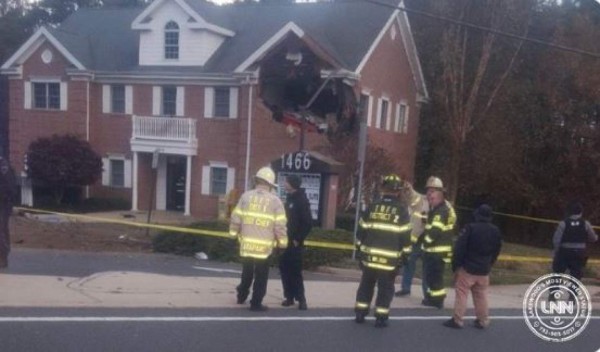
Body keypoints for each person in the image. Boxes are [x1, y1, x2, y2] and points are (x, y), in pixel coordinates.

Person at [354, 174, 412, 328]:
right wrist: (406, 255)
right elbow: (406, 235)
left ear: (383, 189)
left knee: (366, 284)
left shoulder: (372, 206)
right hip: (389, 260)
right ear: (398, 191)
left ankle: (360, 312)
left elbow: (361, 231)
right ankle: (380, 316)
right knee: (385, 288)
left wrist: (359, 250)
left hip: (369, 258)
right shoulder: (401, 210)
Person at [229, 166, 288, 311]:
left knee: (247, 271)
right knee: (261, 276)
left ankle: (241, 295)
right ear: (270, 184)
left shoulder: (246, 196)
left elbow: (236, 218)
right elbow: (280, 225)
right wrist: (282, 244)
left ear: (257, 180)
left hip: (247, 244)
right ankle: (256, 302)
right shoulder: (275, 201)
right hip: (264, 247)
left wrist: (232, 235)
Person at [443, 204, 502, 329]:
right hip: (484, 269)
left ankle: (457, 319)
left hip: (468, 268)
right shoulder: (495, 231)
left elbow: (460, 248)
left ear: (477, 215)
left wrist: (456, 266)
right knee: (481, 295)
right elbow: (497, 250)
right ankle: (483, 320)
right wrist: (490, 264)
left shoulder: (470, 228)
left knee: (462, 293)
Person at [421, 176, 456, 309]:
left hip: (437, 250)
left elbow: (435, 231)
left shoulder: (441, 210)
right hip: (435, 250)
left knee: (435, 277)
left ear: (440, 193)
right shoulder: (437, 208)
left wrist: (425, 242)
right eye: (428, 192)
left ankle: (438, 300)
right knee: (431, 276)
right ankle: (432, 298)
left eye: (432, 192)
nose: (429, 195)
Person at [279, 175, 313, 310]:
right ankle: (289, 297)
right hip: (284, 242)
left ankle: (301, 299)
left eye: (286, 181)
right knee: (284, 269)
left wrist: (297, 239)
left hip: (294, 244)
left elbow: (307, 223)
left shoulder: (301, 200)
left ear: (292, 184)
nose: (285, 183)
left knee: (295, 271)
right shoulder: (289, 199)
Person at [551, 202, 597, 288]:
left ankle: (553, 296)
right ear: (581, 212)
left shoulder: (563, 223)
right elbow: (593, 238)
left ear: (569, 212)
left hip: (564, 252)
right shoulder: (586, 224)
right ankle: (572, 297)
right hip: (579, 253)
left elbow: (556, 239)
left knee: (557, 274)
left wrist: (556, 251)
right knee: (576, 276)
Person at [395, 182, 429, 297]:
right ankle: (405, 288)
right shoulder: (421, 200)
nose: (431, 193)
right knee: (408, 263)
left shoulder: (442, 205)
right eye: (429, 190)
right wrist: (408, 189)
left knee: (427, 268)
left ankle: (427, 292)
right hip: (416, 239)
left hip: (428, 240)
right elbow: (413, 196)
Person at [0, 156, 16, 269]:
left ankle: (2, 256)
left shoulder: (3, 166)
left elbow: (9, 188)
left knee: (1, 230)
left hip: (2, 205)